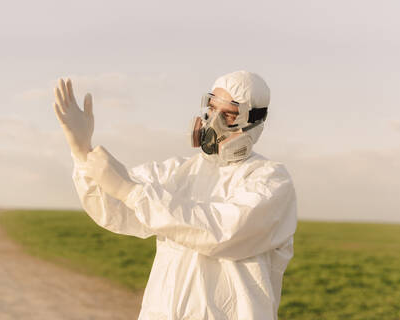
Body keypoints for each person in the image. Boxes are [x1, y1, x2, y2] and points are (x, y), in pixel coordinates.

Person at [53, 70, 297, 320]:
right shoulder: (176, 172)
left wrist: (133, 192)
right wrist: (81, 151)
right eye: (212, 109)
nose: (214, 121)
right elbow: (115, 213)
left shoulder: (269, 180)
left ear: (254, 121)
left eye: (229, 114)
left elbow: (221, 231)